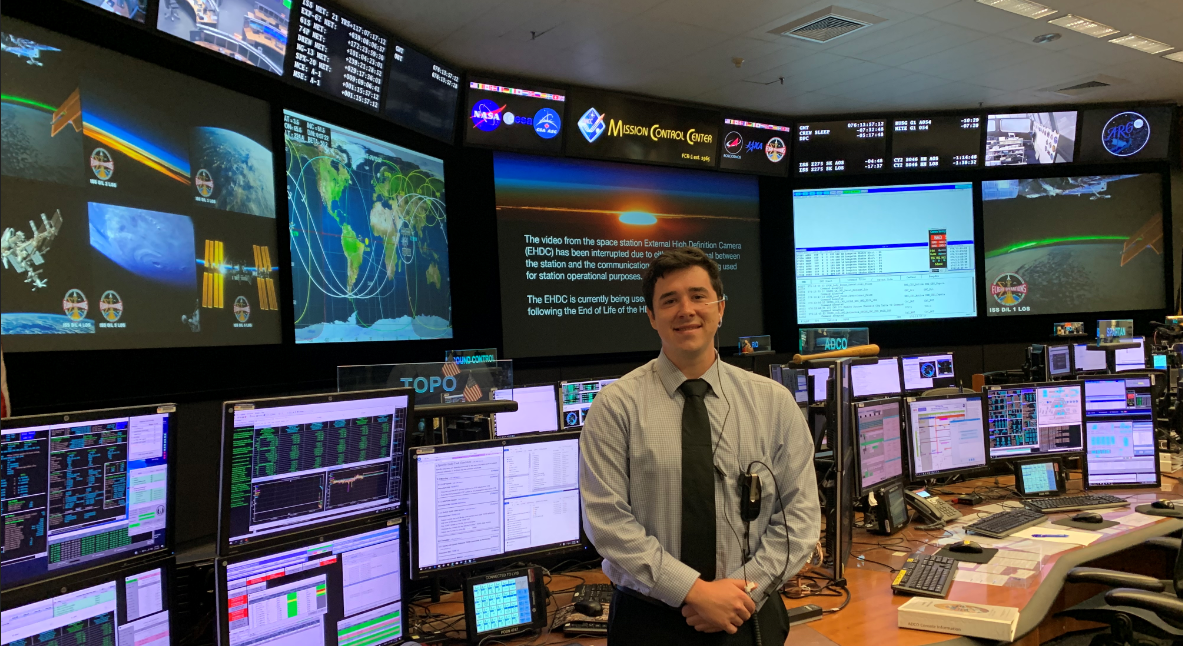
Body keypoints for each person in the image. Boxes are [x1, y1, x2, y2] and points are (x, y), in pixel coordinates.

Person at [579, 247, 820, 645]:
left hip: (748, 615)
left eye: (698, 296)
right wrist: (693, 591)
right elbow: (607, 522)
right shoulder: (615, 407)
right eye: (669, 301)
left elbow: (800, 518)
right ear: (652, 317)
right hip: (649, 621)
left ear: (720, 308)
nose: (685, 309)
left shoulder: (774, 404)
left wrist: (743, 591)